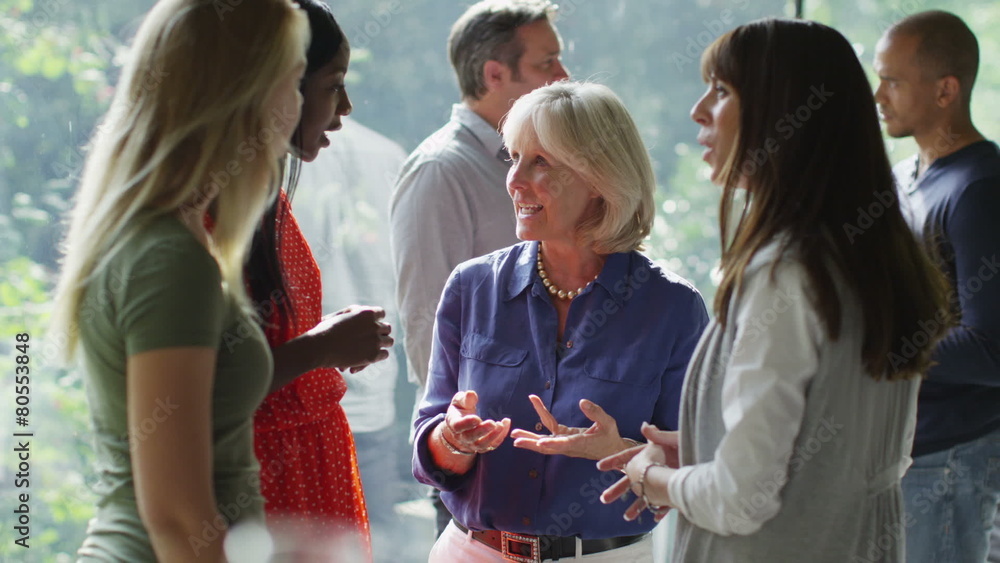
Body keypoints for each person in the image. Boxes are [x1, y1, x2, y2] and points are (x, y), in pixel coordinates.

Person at [599, 18, 952, 563]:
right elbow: (859, 453)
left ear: (784, 114)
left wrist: (652, 475)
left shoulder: (783, 272)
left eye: (721, 91)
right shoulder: (874, 255)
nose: (698, 111)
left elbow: (742, 500)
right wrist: (705, 446)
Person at [49, 0, 309, 560]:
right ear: (247, 95)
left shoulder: (171, 239)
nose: (298, 103)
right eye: (294, 79)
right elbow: (175, 516)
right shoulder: (169, 259)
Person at [413, 81, 709, 562]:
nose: (514, 180)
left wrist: (620, 451)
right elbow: (426, 444)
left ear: (600, 179)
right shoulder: (471, 287)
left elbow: (698, 473)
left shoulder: (673, 309)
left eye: (541, 162)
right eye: (513, 158)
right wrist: (450, 440)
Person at [389, 0, 570, 536]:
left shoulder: (527, 162)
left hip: (535, 449)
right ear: (495, 74)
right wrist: (456, 440)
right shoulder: (441, 171)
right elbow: (425, 321)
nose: (563, 77)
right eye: (546, 64)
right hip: (478, 453)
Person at [242, 1, 393, 560]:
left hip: (307, 478)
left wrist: (323, 343)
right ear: (276, 88)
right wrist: (321, 348)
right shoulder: (206, 221)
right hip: (267, 489)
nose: (346, 107)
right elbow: (201, 392)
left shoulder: (267, 199)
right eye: (333, 85)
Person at [873, 11, 1000, 562]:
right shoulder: (904, 176)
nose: (879, 95)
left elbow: (991, 348)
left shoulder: (980, 190)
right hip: (901, 448)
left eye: (894, 81)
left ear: (947, 89)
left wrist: (875, 347)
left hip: (952, 457)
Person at [291, 115, 410, 562]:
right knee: (371, 546)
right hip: (369, 397)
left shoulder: (280, 163)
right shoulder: (388, 156)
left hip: (299, 401)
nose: (343, 104)